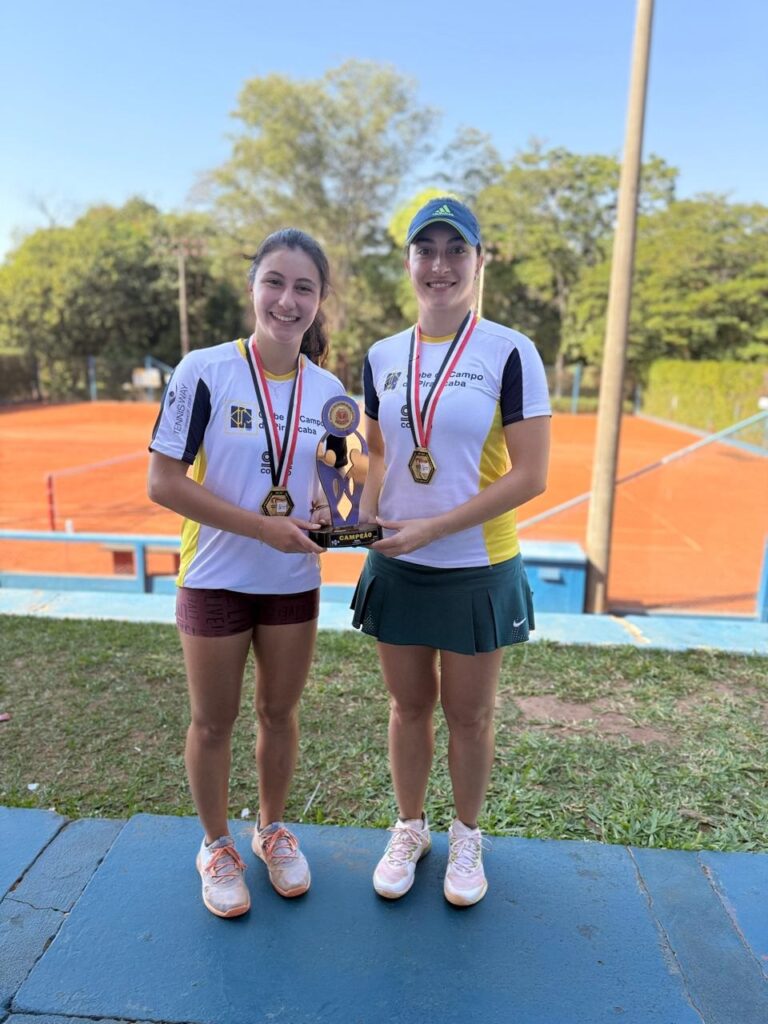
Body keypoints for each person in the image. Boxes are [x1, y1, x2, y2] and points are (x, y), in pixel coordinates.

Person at [353, 197, 551, 906]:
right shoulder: (380, 356)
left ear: (477, 261)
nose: (439, 264)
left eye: (455, 250)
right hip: (398, 564)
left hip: (477, 566)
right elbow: (377, 455)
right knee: (408, 708)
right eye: (425, 249)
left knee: (470, 715)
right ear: (408, 261)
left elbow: (531, 474)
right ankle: (411, 827)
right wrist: (353, 514)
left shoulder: (510, 351)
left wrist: (436, 527)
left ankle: (467, 836)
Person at [147, 228, 345, 918]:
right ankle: (216, 845)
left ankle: (270, 831)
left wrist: (324, 505)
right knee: (213, 720)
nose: (287, 300)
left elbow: (328, 481)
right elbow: (163, 483)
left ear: (320, 302)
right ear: (253, 287)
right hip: (215, 574)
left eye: (304, 288)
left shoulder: (329, 391)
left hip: (292, 581)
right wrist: (261, 526)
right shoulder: (202, 370)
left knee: (280, 714)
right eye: (275, 282)